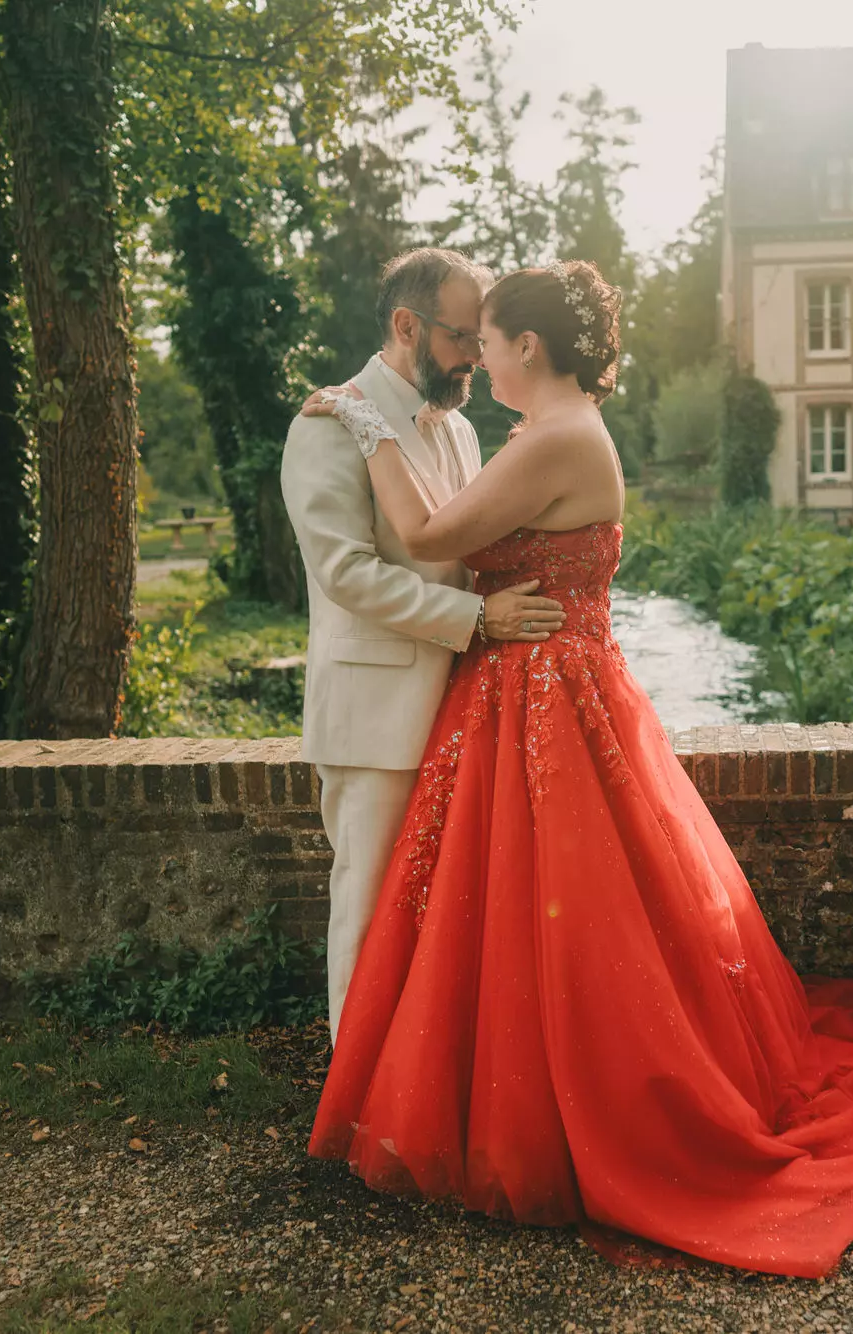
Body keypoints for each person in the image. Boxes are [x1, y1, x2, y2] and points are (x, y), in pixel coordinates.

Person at [299, 260, 853, 1279]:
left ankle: (538, 1110)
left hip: (539, 693)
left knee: (542, 908)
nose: (476, 354)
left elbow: (425, 536)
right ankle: (495, 1089)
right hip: (549, 680)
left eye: (489, 338)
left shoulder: (550, 439)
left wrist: (367, 425)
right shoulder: (554, 432)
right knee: (539, 907)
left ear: (528, 347)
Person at [279, 247, 567, 1044]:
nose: (478, 355)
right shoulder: (329, 423)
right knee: (368, 906)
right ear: (408, 326)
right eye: (461, 337)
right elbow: (345, 573)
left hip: (465, 711)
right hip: (375, 713)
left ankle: (422, 1083)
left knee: (443, 915)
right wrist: (477, 622)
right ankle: (354, 1089)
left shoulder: (464, 431)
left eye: (482, 339)